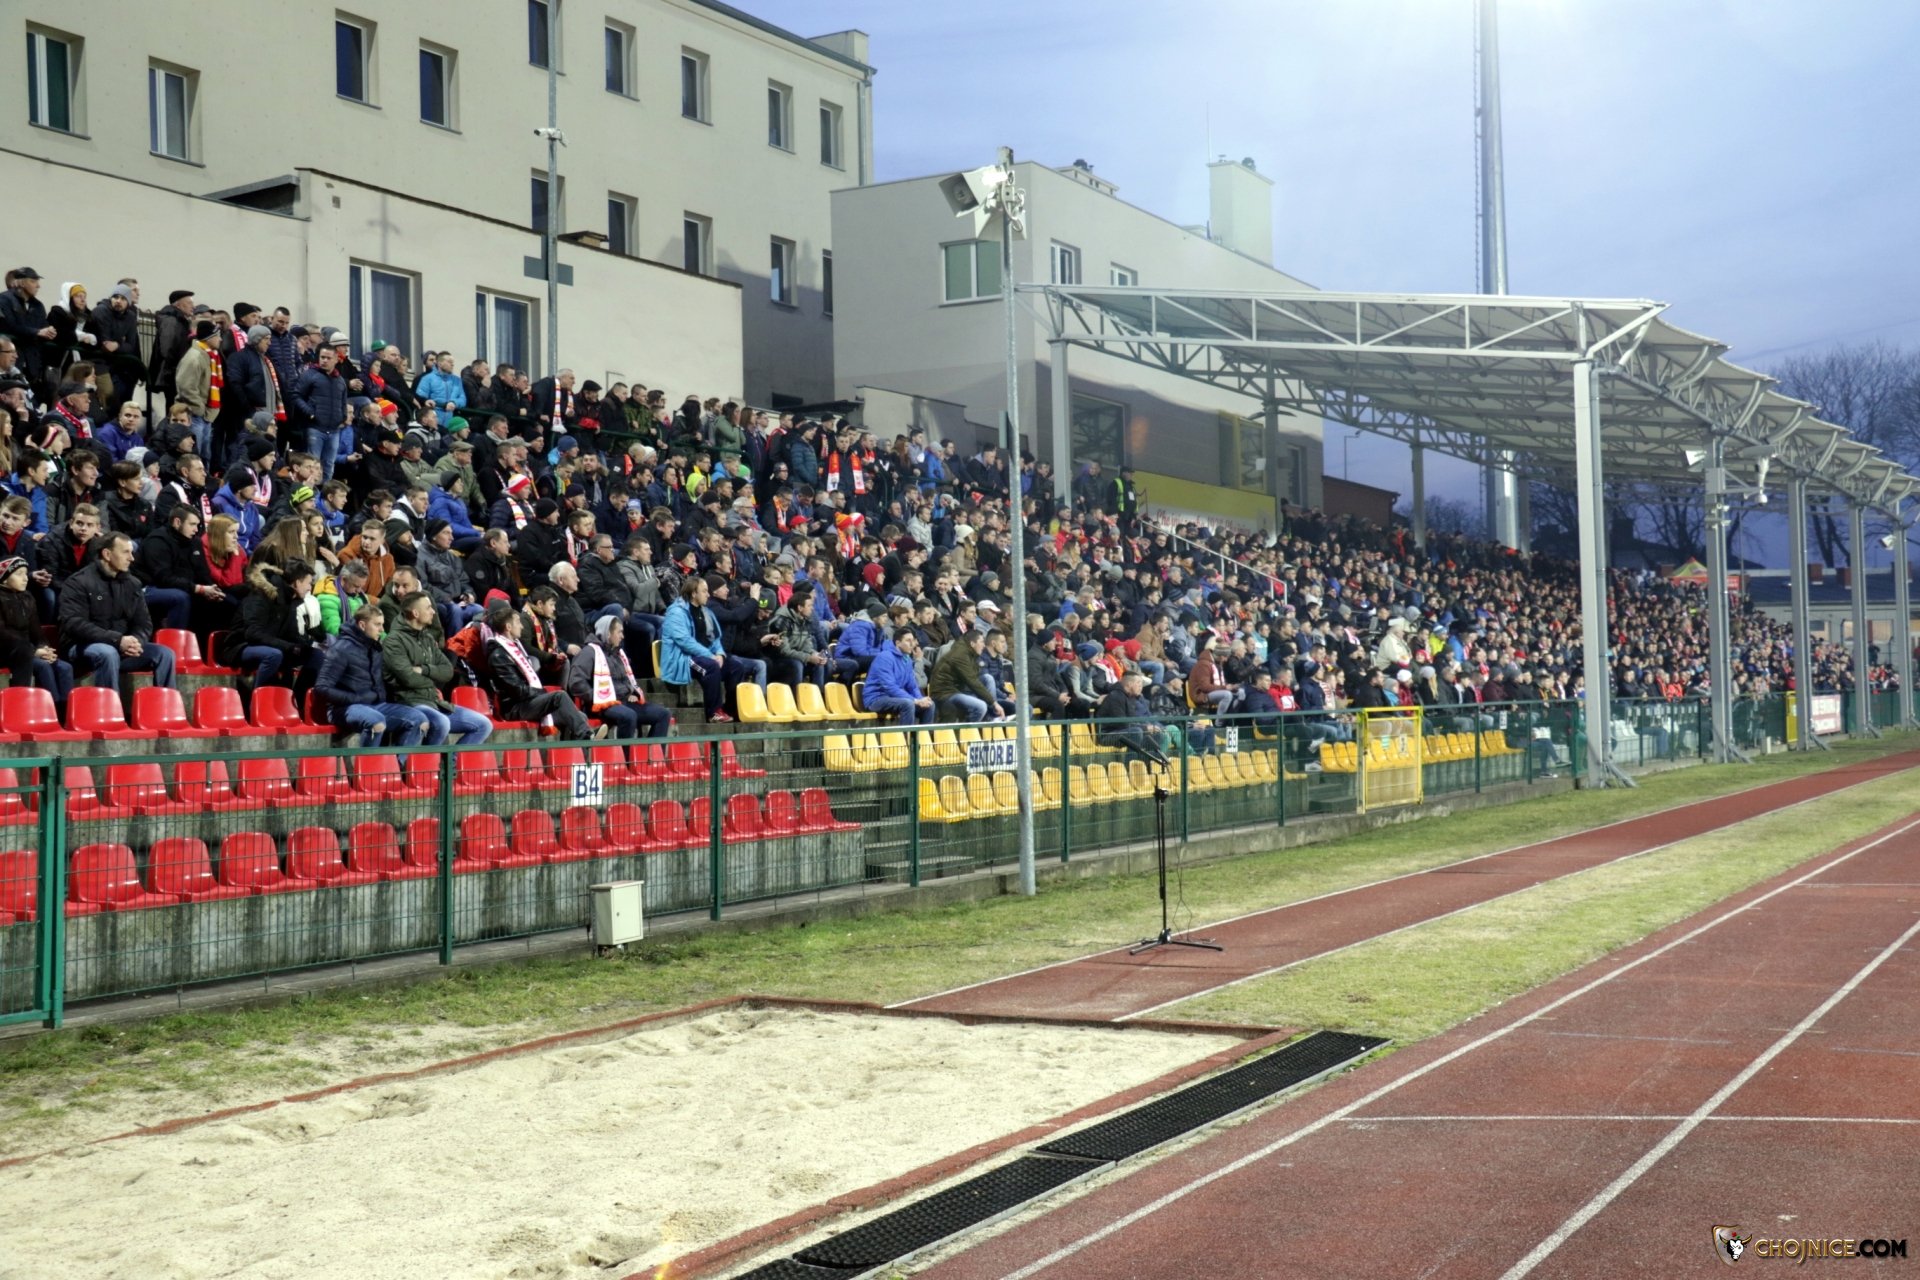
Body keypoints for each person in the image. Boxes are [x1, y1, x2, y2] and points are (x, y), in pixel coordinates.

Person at [56, 531, 177, 690]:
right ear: (107, 554)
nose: (131, 558)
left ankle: (166, 704)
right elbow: (74, 624)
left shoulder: (133, 583)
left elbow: (144, 623)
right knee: (108, 653)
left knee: (165, 654)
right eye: (126, 552)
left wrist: (135, 642)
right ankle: (110, 705)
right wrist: (117, 640)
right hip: (82, 646)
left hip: (121, 647)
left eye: (132, 553)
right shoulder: (78, 582)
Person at [382, 591, 492, 746]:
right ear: (416, 613)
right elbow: (408, 678)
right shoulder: (394, 641)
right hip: (409, 703)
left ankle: (450, 761)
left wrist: (424, 670)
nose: (433, 611)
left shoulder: (427, 638)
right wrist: (433, 678)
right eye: (428, 608)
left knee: (483, 725)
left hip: (434, 702)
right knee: (441, 723)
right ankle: (426, 761)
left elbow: (447, 671)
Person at [314, 603, 429, 746]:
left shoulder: (375, 647)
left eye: (382, 624)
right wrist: (354, 698)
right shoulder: (340, 649)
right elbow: (322, 687)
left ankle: (397, 761)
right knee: (376, 722)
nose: (382, 629)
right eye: (377, 624)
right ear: (362, 625)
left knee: (420, 720)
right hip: (345, 708)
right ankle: (368, 761)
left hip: (375, 705)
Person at [483, 601, 592, 739]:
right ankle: (588, 737)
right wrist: (542, 692)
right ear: (508, 627)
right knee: (559, 697)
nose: (522, 626)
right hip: (514, 708)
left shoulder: (513, 648)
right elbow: (518, 690)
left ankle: (578, 747)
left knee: (579, 716)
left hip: (526, 702)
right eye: (518, 622)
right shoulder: (499, 655)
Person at [658, 575, 753, 723]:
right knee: (711, 666)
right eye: (704, 591)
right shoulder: (676, 612)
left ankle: (730, 710)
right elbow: (684, 641)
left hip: (704, 657)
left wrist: (720, 654)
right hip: (682, 659)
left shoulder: (706, 612)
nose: (708, 595)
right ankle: (713, 712)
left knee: (736, 667)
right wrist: (710, 655)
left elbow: (715, 638)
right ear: (693, 593)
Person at [566, 614, 671, 740]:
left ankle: (652, 751)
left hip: (624, 701)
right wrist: (597, 696)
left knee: (663, 714)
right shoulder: (589, 652)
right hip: (602, 704)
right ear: (608, 634)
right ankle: (624, 753)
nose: (622, 636)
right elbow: (575, 682)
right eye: (619, 632)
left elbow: (628, 679)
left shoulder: (619, 654)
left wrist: (633, 692)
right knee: (629, 716)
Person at [0, 555, 72, 714]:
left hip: (29, 650)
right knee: (43, 666)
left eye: (26, 573)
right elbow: (3, 635)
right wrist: (34, 651)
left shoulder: (28, 597)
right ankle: (50, 713)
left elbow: (36, 630)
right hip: (8, 652)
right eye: (19, 574)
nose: (25, 578)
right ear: (4, 578)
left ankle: (66, 714)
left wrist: (44, 649)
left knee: (64, 667)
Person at [862, 628, 934, 724]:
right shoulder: (884, 658)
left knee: (929, 705)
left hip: (894, 698)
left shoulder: (907, 660)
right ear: (898, 643)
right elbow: (889, 687)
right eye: (908, 640)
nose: (912, 644)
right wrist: (914, 700)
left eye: (913, 640)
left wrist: (920, 699)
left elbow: (912, 686)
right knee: (908, 704)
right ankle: (905, 734)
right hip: (876, 699)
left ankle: (923, 734)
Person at [929, 626, 999, 722]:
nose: (984, 645)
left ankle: (992, 716)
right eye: (982, 642)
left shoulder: (971, 653)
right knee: (981, 706)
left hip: (959, 687)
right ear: (972, 644)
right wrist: (993, 702)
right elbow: (972, 681)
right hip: (946, 692)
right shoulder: (960, 655)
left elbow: (975, 675)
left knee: (988, 678)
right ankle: (966, 729)